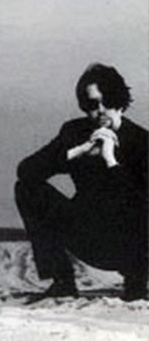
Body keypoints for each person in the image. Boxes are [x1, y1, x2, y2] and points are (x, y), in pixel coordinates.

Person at [16, 63, 148, 302]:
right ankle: (63, 281)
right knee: (26, 189)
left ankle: (137, 282)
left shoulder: (142, 141)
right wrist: (78, 151)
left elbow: (138, 202)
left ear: (120, 102)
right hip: (87, 236)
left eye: (107, 102)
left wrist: (110, 160)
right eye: (92, 105)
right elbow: (26, 171)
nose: (100, 111)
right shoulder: (75, 132)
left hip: (130, 244)